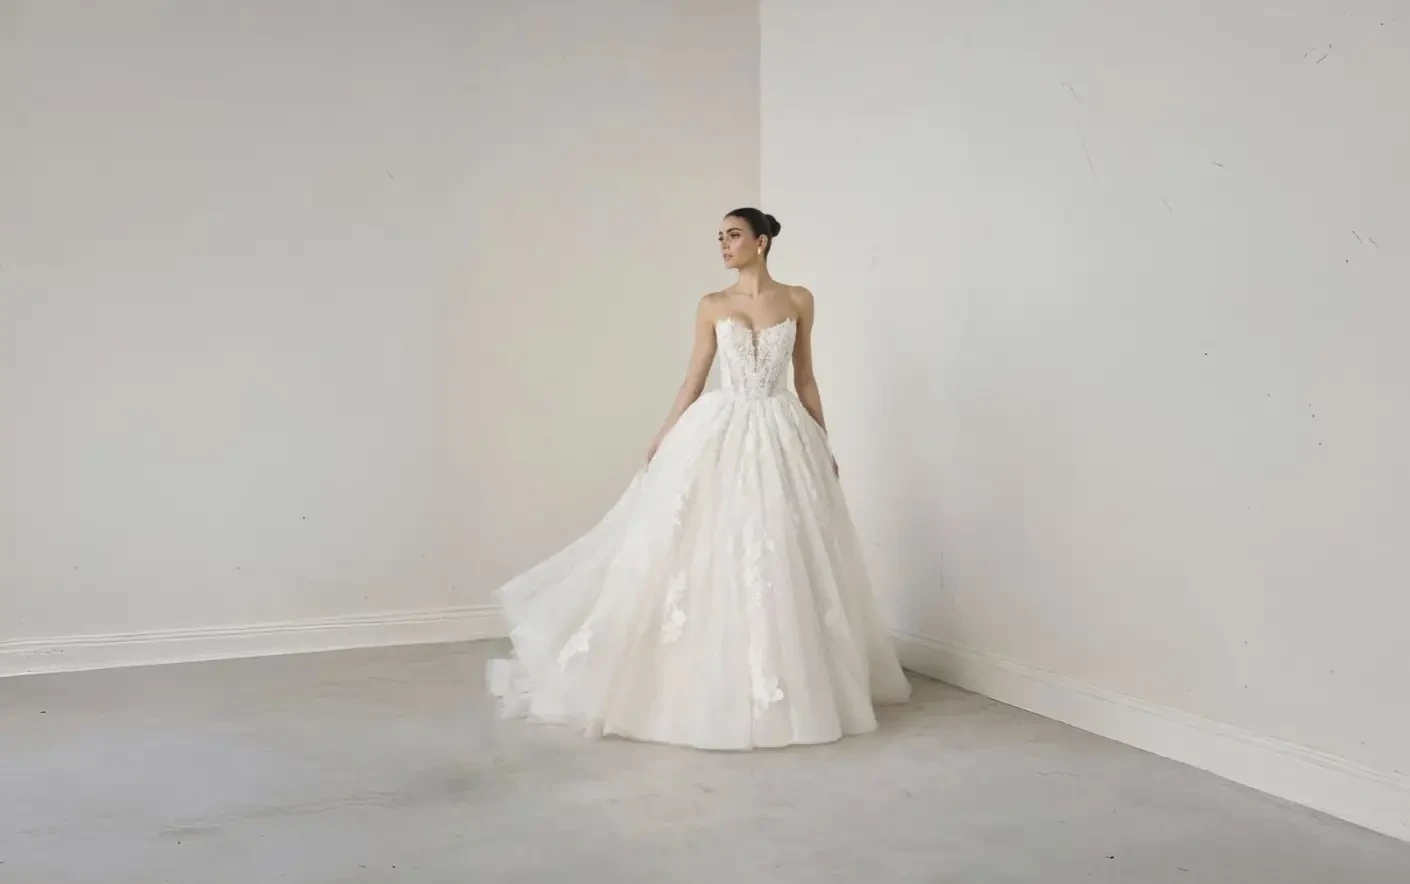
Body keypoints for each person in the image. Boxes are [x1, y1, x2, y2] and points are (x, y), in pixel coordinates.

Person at [486, 208, 911, 750]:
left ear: (761, 242)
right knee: (708, 544)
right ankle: (705, 679)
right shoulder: (712, 305)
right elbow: (695, 376)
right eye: (720, 238)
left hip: (782, 430)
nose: (724, 245)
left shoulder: (799, 299)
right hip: (721, 427)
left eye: (733, 235)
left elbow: (804, 376)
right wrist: (665, 434)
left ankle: (788, 679)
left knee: (780, 547)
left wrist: (823, 439)